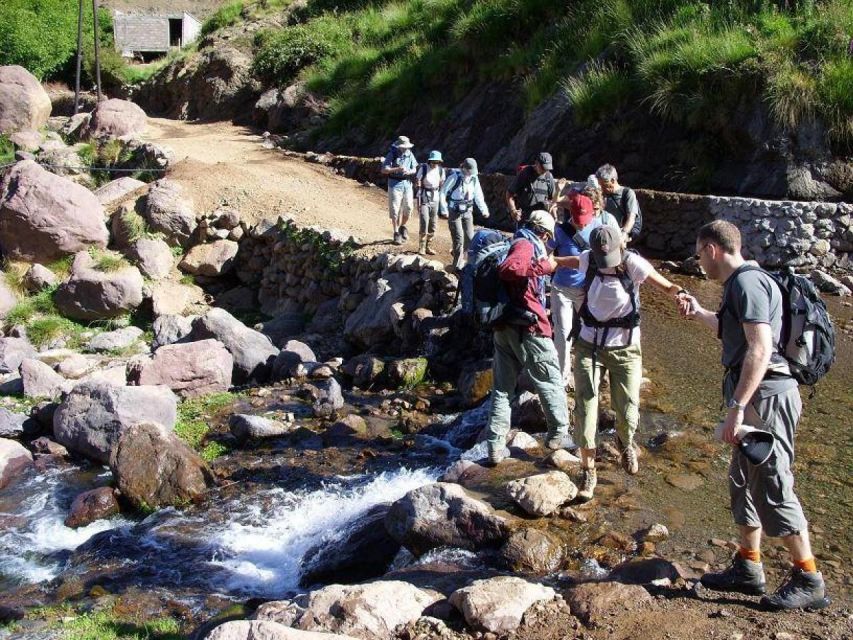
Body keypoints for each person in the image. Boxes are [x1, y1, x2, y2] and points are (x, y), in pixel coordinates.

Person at [679, 220, 829, 611]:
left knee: (774, 481)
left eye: (699, 254)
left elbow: (760, 348)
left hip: (767, 400)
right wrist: (699, 313)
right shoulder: (741, 285)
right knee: (743, 481)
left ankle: (809, 577)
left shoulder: (747, 283)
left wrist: (737, 408)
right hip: (757, 397)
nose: (698, 263)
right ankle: (748, 567)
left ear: (712, 249)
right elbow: (735, 334)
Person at [554, 226, 686, 501]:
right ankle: (588, 470)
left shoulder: (632, 264)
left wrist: (681, 294)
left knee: (627, 410)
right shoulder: (589, 259)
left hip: (625, 349)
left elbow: (665, 286)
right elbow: (572, 261)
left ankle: (625, 441)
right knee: (586, 408)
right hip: (589, 345)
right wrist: (551, 261)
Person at [484, 210, 571, 466]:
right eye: (547, 237)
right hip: (527, 327)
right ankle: (558, 434)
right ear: (543, 233)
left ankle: (494, 447)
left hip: (505, 326)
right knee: (551, 380)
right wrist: (546, 266)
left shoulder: (517, 240)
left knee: (502, 389)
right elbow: (510, 269)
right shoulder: (525, 244)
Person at [548, 192, 619, 389]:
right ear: (571, 212)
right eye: (578, 221)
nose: (582, 225)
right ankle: (561, 378)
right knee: (562, 331)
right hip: (562, 288)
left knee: (590, 330)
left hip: (588, 290)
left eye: (584, 220)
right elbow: (547, 254)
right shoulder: (560, 231)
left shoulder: (598, 227)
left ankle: (591, 372)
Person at [442, 157, 489, 272]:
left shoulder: (474, 179)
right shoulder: (455, 177)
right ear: (465, 169)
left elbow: (478, 195)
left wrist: (484, 210)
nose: (471, 173)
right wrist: (444, 209)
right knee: (459, 238)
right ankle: (456, 267)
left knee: (470, 238)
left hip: (468, 211)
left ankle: (466, 263)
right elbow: (442, 192)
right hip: (455, 212)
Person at [381, 136, 418, 245]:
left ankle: (403, 226)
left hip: (407, 183)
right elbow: (384, 170)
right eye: (404, 147)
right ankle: (396, 232)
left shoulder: (409, 153)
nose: (405, 148)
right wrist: (397, 169)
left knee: (409, 208)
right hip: (394, 184)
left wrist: (409, 172)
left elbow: (415, 168)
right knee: (395, 210)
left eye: (406, 147)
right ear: (399, 146)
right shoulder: (392, 154)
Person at [507, 152, 556, 225]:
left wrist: (554, 216)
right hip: (524, 219)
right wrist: (513, 211)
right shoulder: (525, 173)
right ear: (536, 163)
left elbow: (552, 200)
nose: (545, 170)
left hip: (541, 220)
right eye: (543, 167)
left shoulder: (549, 177)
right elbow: (509, 194)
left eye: (547, 168)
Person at [596, 164, 641, 243]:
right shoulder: (602, 194)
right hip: (607, 235)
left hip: (622, 234)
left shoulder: (627, 193)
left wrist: (624, 233)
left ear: (613, 180)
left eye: (604, 185)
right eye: (600, 185)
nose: (601, 188)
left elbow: (631, 218)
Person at [414, 150, 446, 256]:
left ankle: (428, 246)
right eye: (433, 162)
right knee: (424, 221)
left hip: (435, 198)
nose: (435, 164)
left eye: (437, 162)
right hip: (424, 197)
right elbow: (418, 180)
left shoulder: (441, 170)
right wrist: (418, 193)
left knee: (433, 224)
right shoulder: (423, 168)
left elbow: (442, 182)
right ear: (429, 161)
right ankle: (421, 247)